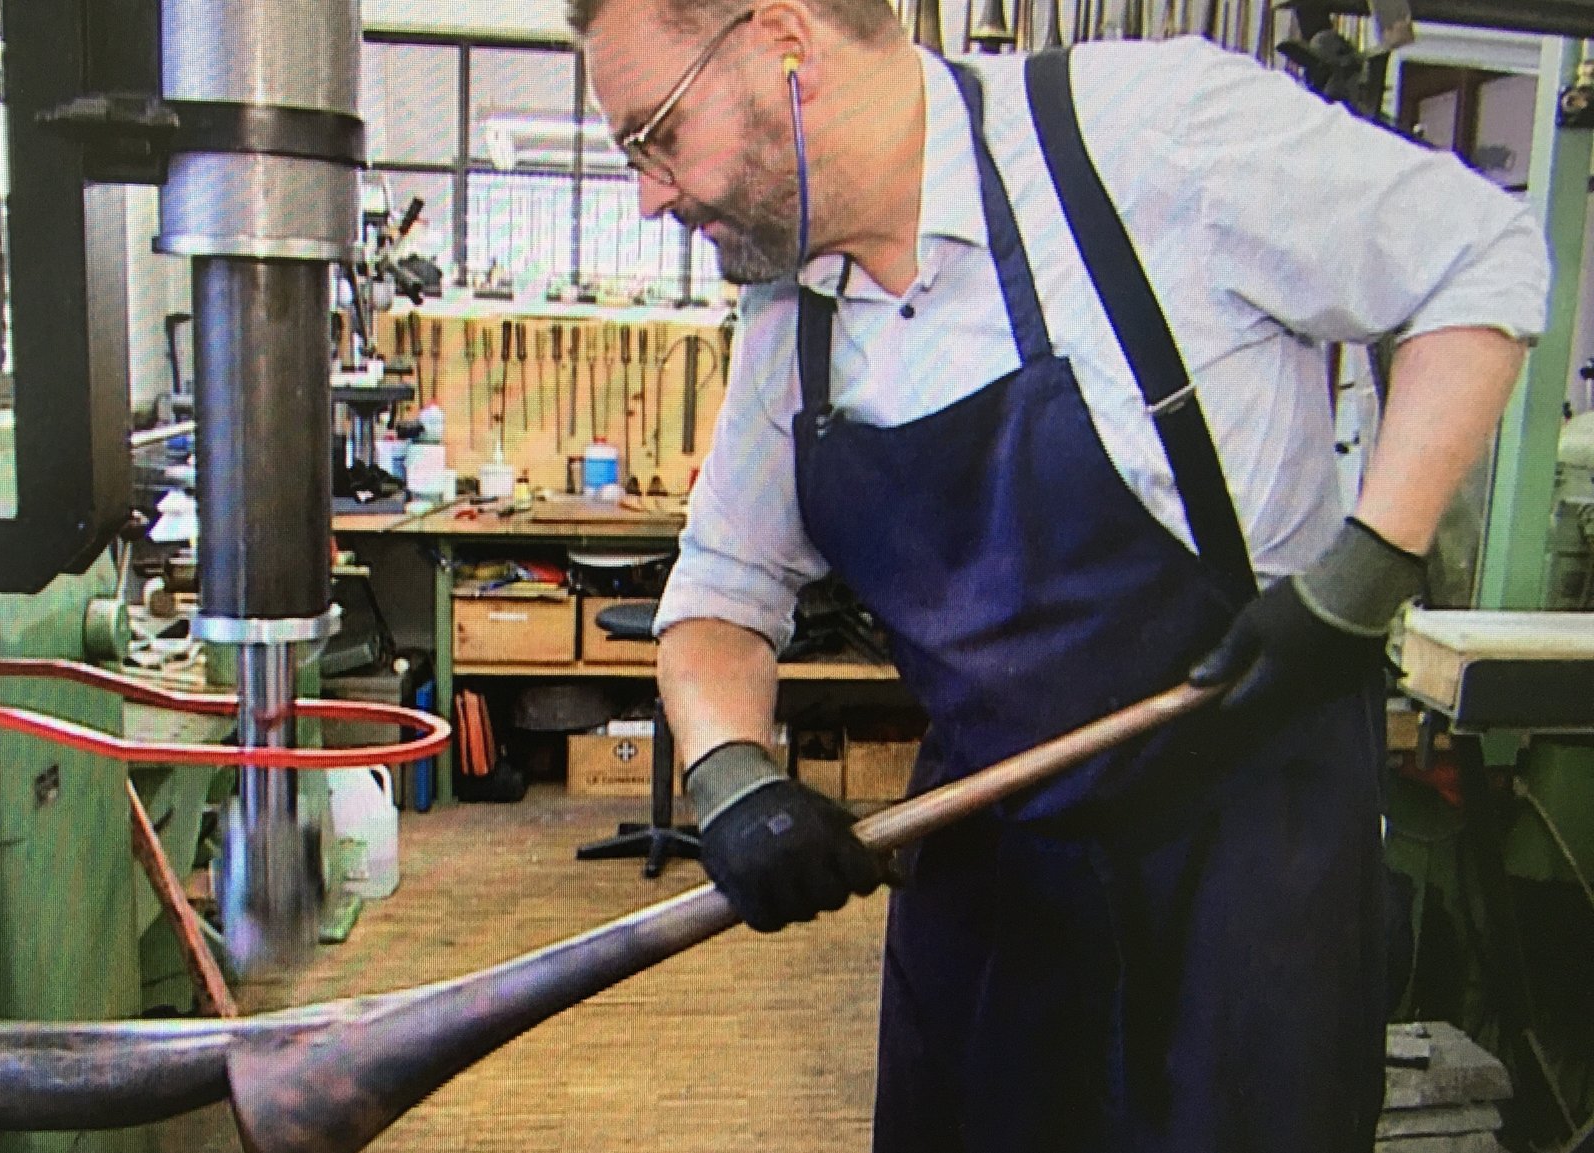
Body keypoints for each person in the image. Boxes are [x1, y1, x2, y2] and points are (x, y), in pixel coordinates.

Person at [568, 1, 1550, 1150]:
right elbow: (722, 595)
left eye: (656, 137)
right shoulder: (793, 318)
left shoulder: (1147, 135)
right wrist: (731, 775)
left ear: (784, 48)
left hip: (1245, 888)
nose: (649, 194)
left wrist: (1367, 564)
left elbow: (1478, 256)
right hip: (995, 893)